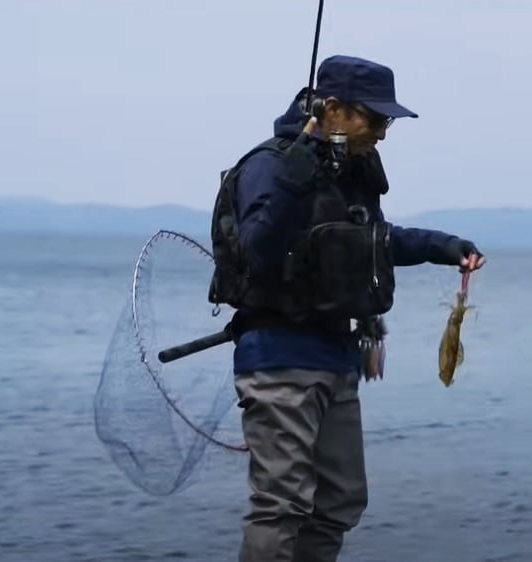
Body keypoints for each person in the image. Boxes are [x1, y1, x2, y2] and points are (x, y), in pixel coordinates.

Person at [206, 54, 486, 562]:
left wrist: (443, 246)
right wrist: (294, 180)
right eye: (374, 119)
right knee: (282, 504)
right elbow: (255, 254)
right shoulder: (271, 166)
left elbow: (369, 241)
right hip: (278, 358)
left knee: (339, 500)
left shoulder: (350, 172)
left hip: (337, 356)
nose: (382, 132)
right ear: (332, 108)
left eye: (387, 122)